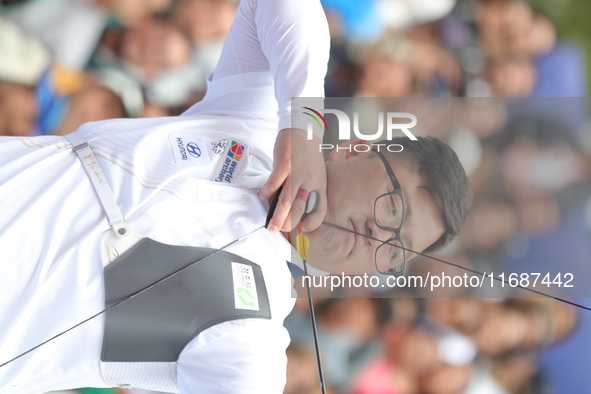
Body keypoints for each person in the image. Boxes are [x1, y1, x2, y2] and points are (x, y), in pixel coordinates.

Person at [0, 0, 471, 393]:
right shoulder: (260, 123)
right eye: (392, 208)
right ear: (356, 151)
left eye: (395, 250)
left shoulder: (254, 336)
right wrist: (304, 128)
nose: (375, 235)